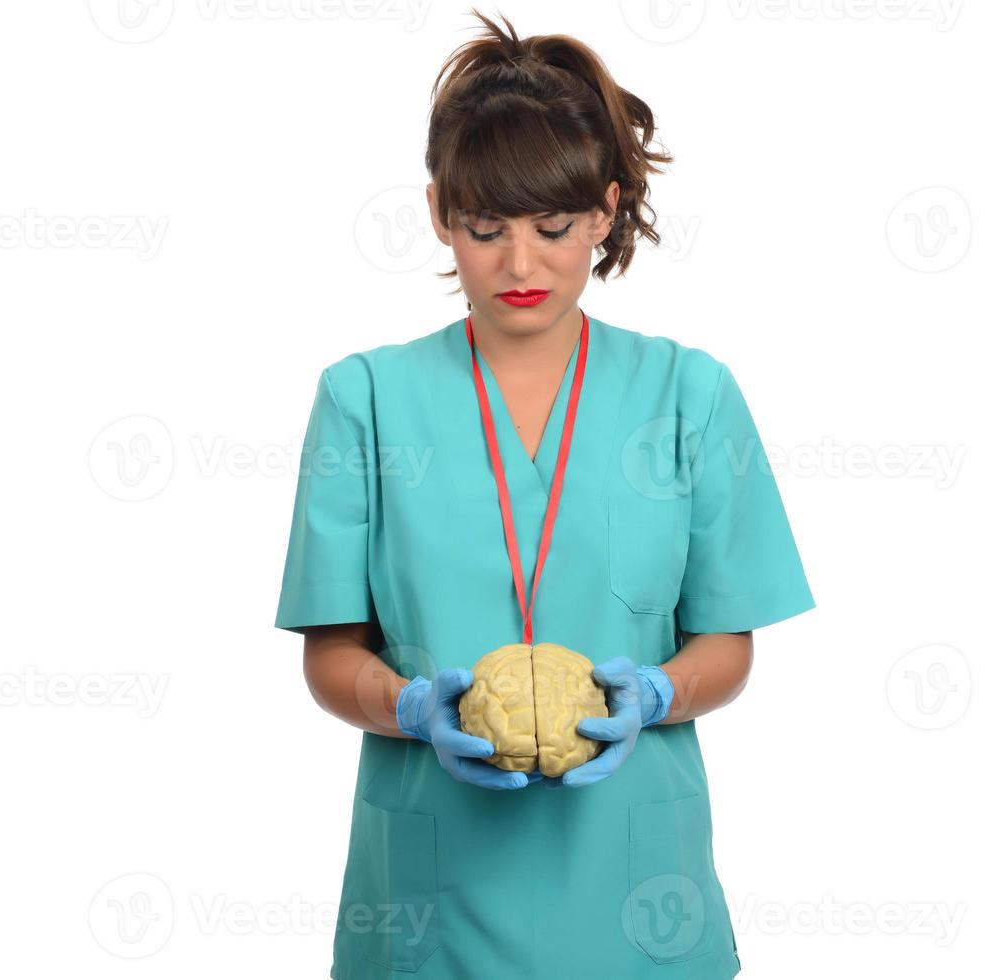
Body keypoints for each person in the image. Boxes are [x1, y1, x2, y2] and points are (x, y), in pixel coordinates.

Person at [275, 11, 815, 978]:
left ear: (606, 212)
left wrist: (656, 694)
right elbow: (328, 656)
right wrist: (406, 709)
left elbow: (729, 645)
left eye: (553, 227)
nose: (519, 264)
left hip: (634, 898)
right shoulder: (362, 398)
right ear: (440, 212)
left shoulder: (690, 396)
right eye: (485, 229)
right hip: (429, 905)